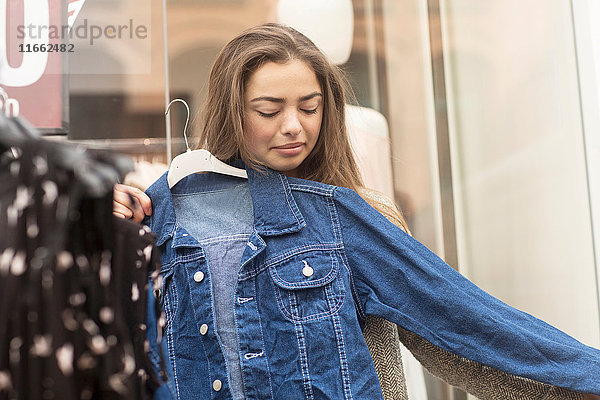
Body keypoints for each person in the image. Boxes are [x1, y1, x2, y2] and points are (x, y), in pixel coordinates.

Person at [114, 23, 600, 400]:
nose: (293, 127)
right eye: (269, 110)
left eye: (310, 107)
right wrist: (99, 220)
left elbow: (457, 321)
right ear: (232, 109)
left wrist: (583, 377)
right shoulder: (159, 219)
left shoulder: (350, 215)